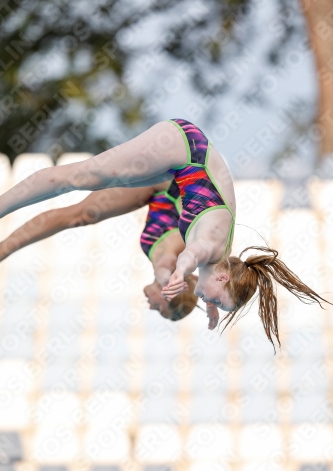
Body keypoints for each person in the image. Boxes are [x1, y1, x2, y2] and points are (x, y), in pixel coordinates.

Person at [0, 118, 329, 350]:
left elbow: (201, 276)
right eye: (214, 299)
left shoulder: (213, 261)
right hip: (183, 151)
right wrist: (183, 273)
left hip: (174, 174)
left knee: (83, 208)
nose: (152, 307)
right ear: (223, 278)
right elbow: (192, 254)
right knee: (83, 176)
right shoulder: (205, 247)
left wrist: (211, 304)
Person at [0, 178, 219, 329]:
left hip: (159, 189)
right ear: (167, 291)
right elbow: (170, 272)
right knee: (76, 215)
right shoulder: (169, 262)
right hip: (167, 182)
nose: (151, 307)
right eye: (160, 308)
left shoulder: (168, 261)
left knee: (78, 215)